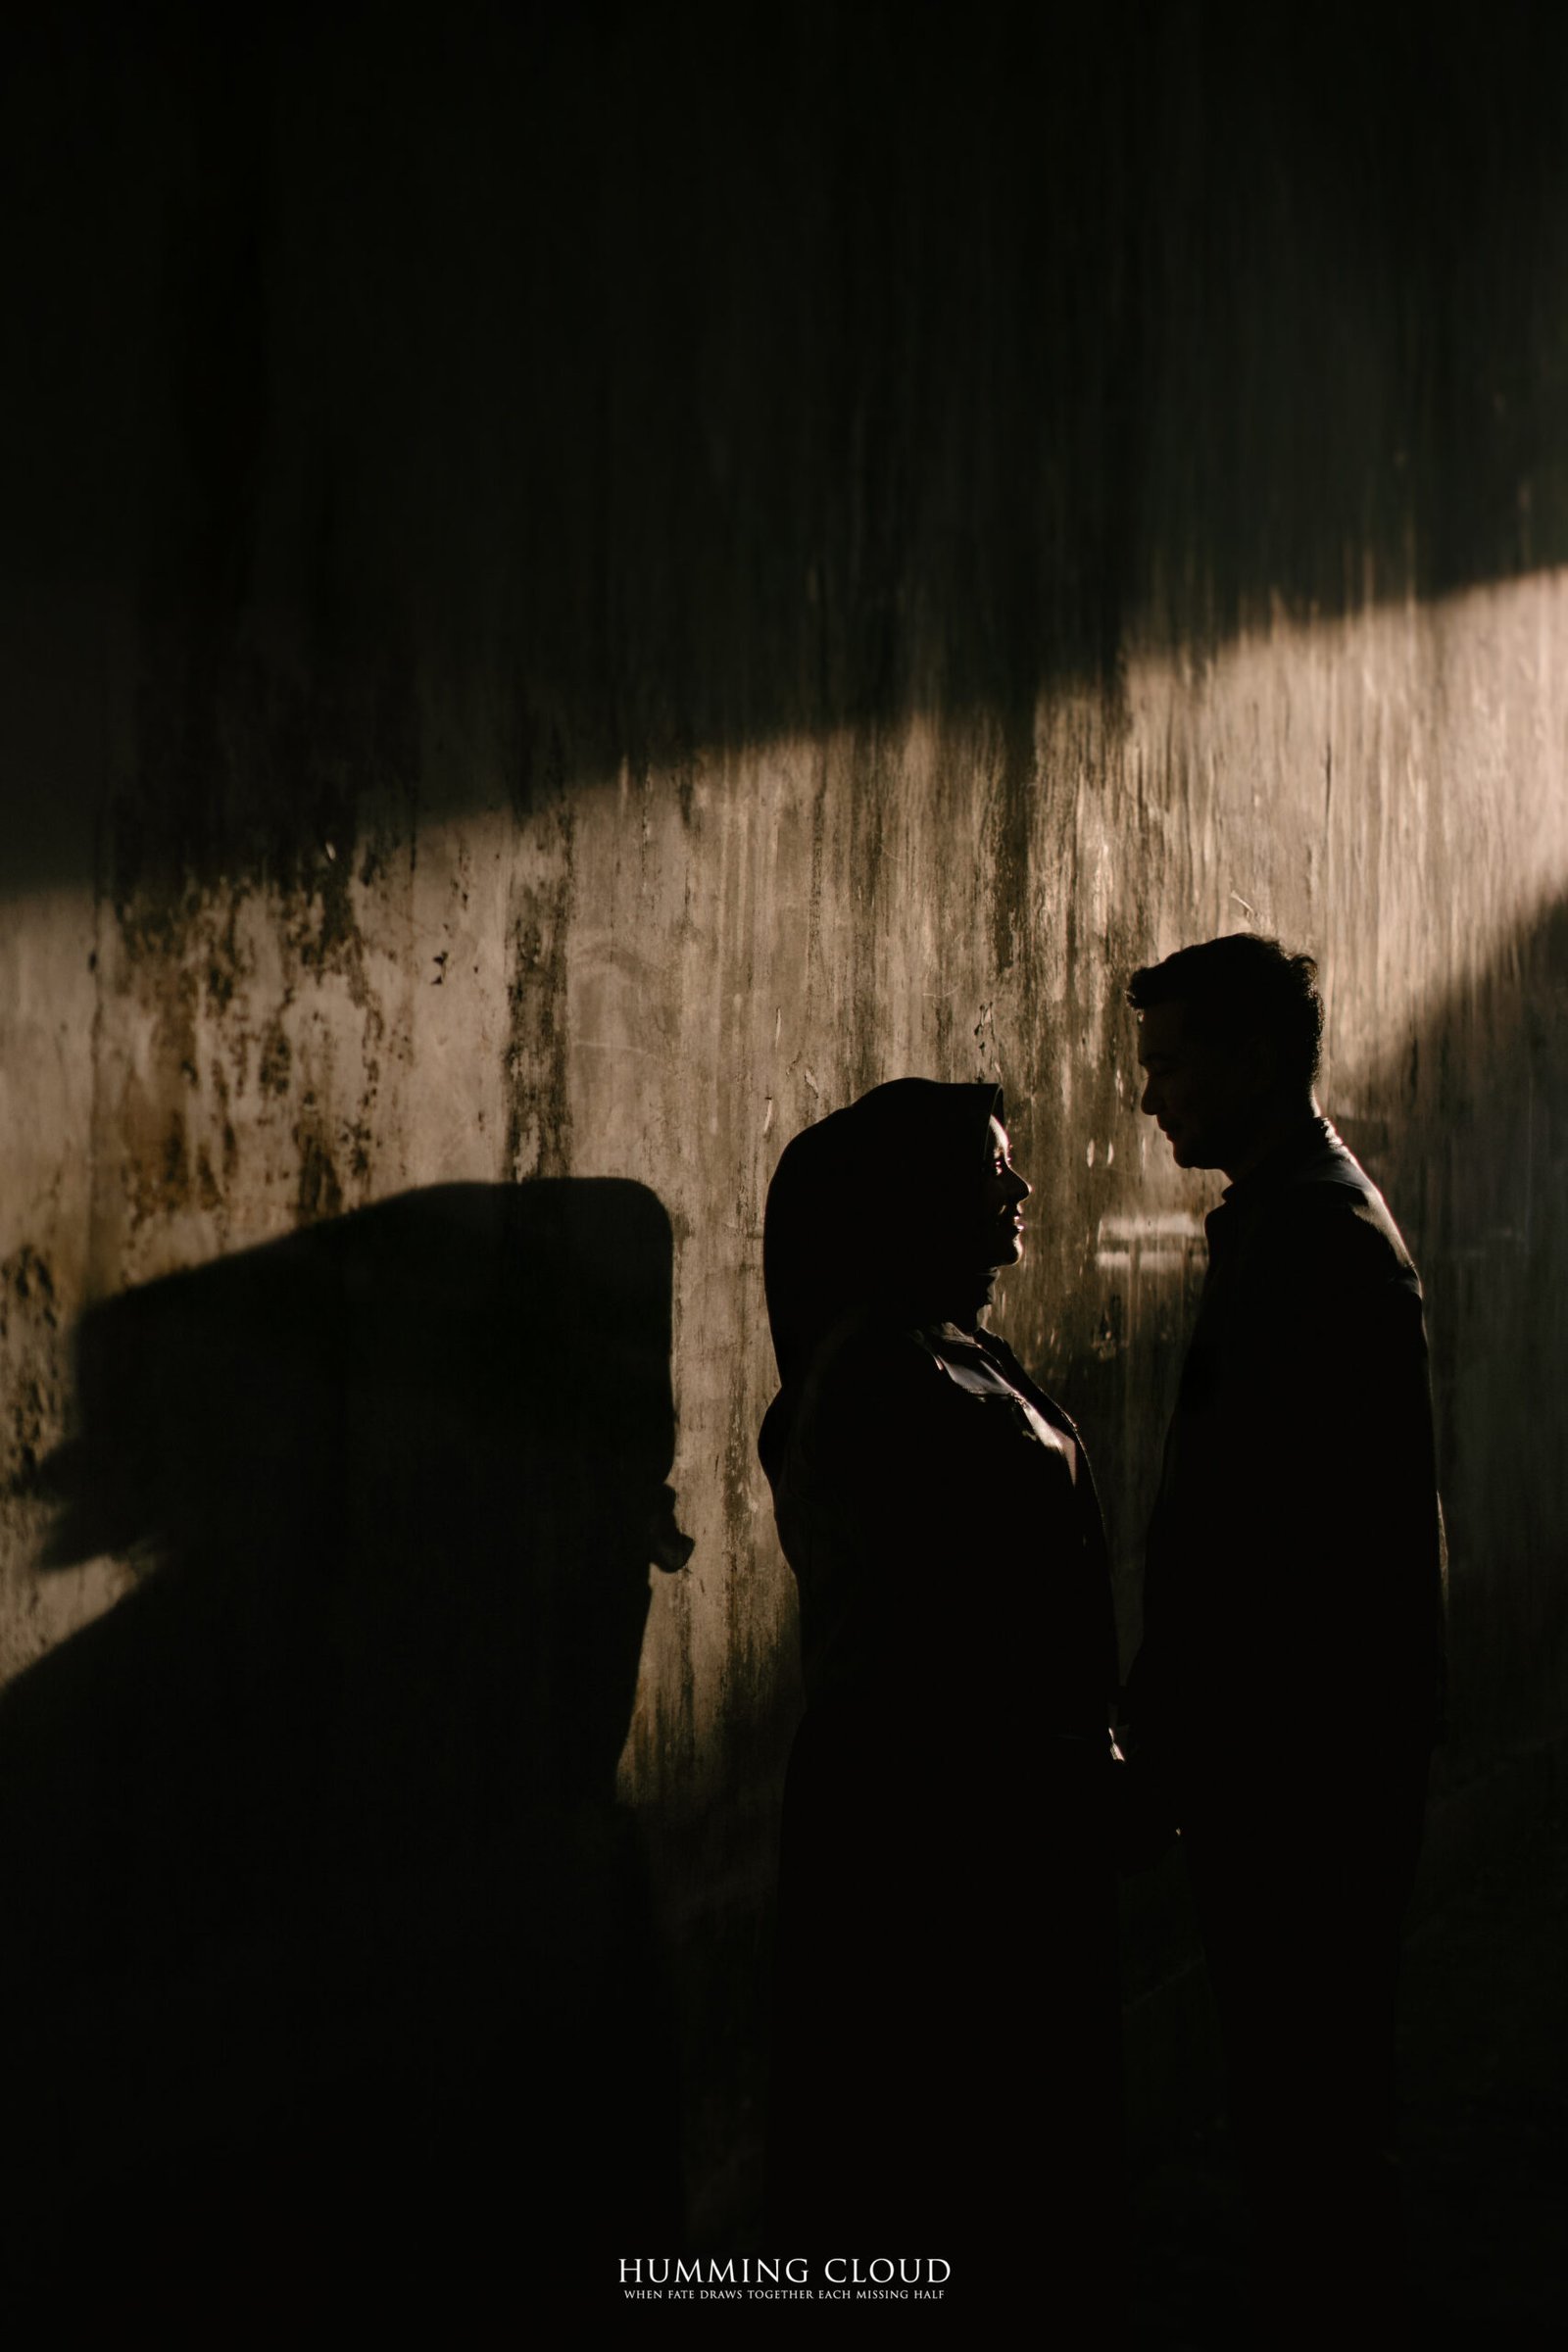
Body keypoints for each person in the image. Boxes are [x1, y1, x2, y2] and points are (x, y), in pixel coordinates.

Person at [1120, 934, 1446, 2335]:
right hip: (1316, 1745)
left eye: (1172, 1064)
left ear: (1254, 1061)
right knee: (1311, 2091)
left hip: (1302, 1756)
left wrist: (1173, 1736)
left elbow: (1260, 1539)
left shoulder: (1308, 1237)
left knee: (1305, 2096)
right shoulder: (1302, 1216)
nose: (1150, 1097)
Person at [758, 1077, 1122, 2282]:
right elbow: (934, 1638)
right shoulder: (879, 1377)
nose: (1019, 1187)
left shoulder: (950, 1347)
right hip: (934, 1825)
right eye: (989, 1169)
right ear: (916, 1198)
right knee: (933, 2148)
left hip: (998, 1810)